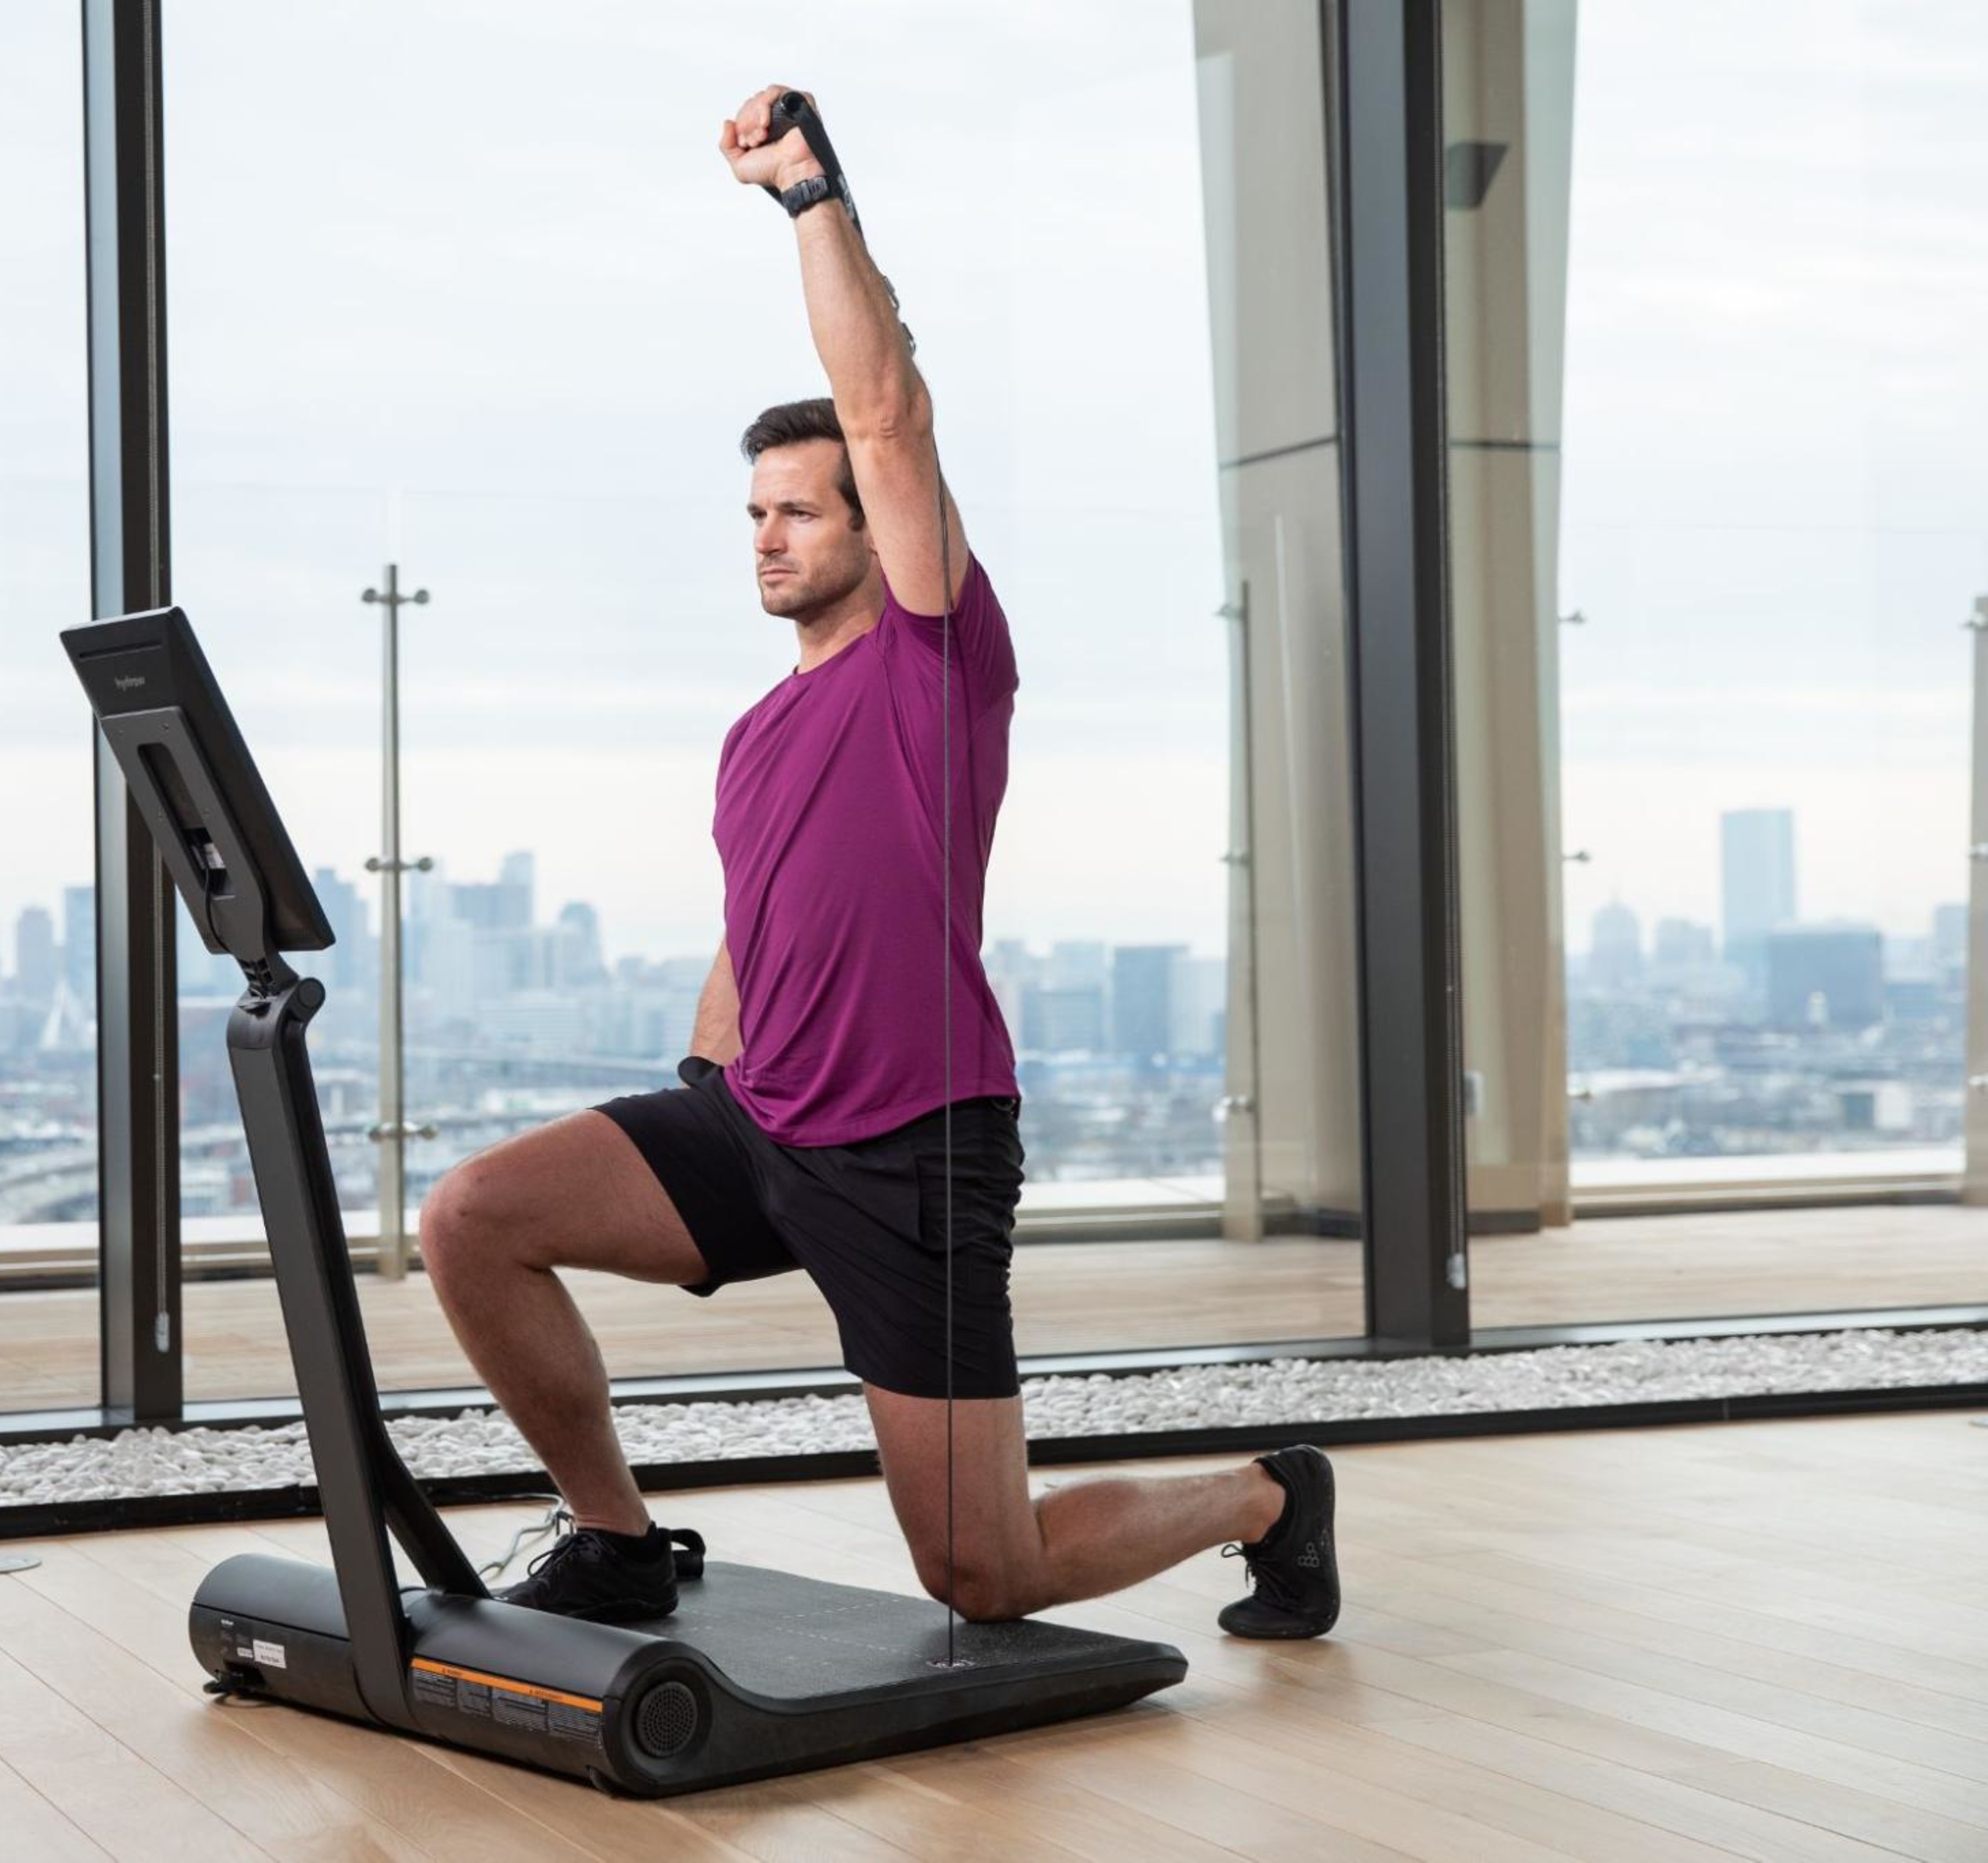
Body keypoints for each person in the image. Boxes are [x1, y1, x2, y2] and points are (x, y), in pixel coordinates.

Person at [416, 84, 1340, 1641]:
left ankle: (1267, 1494)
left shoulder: (933, 660)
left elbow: (891, 406)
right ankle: (616, 1537)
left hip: (913, 1147)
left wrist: (808, 198)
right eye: (755, 512)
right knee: (471, 1215)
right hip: (756, 1118)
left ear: (876, 523)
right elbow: (758, 917)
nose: (767, 538)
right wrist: (712, 1075)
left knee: (985, 1571)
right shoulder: (755, 728)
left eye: (799, 509)